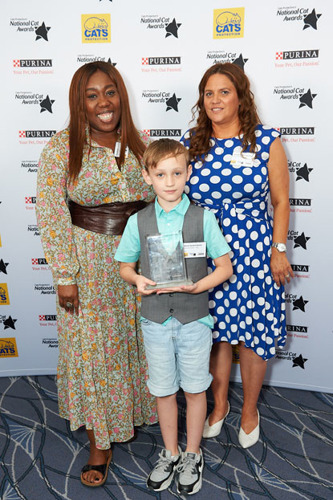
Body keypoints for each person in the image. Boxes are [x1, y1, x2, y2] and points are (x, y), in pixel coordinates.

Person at [36, 61, 157, 487]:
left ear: (121, 95)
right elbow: (51, 214)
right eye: (92, 95)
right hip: (88, 268)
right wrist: (65, 274)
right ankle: (98, 443)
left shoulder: (139, 145)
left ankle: (130, 414)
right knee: (92, 352)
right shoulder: (62, 148)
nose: (103, 102)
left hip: (138, 266)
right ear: (79, 103)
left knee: (133, 342)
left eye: (110, 92)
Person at [181, 62, 294, 449]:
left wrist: (278, 250)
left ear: (240, 96)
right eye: (209, 93)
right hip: (206, 251)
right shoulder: (191, 141)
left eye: (224, 92)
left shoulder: (264, 139)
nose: (215, 100)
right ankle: (219, 405)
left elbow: (280, 202)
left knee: (253, 332)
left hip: (254, 249)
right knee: (214, 334)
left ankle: (249, 410)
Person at [115, 139, 233, 495]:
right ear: (147, 176)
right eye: (161, 174)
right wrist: (137, 279)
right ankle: (170, 451)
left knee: (196, 389)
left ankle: (192, 454)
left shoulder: (203, 217)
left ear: (188, 174)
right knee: (164, 391)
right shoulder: (138, 221)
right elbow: (124, 266)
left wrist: (199, 288)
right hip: (154, 320)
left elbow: (224, 268)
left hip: (195, 319)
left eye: (177, 173)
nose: (169, 181)